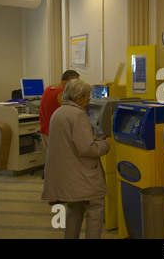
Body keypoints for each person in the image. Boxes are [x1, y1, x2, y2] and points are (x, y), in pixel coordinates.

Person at [41, 79, 110, 239]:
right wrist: (105, 145)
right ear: (79, 97)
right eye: (87, 97)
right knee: (96, 207)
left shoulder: (58, 113)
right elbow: (87, 148)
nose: (89, 101)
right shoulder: (78, 115)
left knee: (75, 209)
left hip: (67, 175)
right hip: (81, 176)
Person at [39, 70, 80, 147]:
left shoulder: (48, 89)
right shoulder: (63, 93)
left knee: (50, 157)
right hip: (55, 133)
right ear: (70, 79)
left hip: (44, 131)